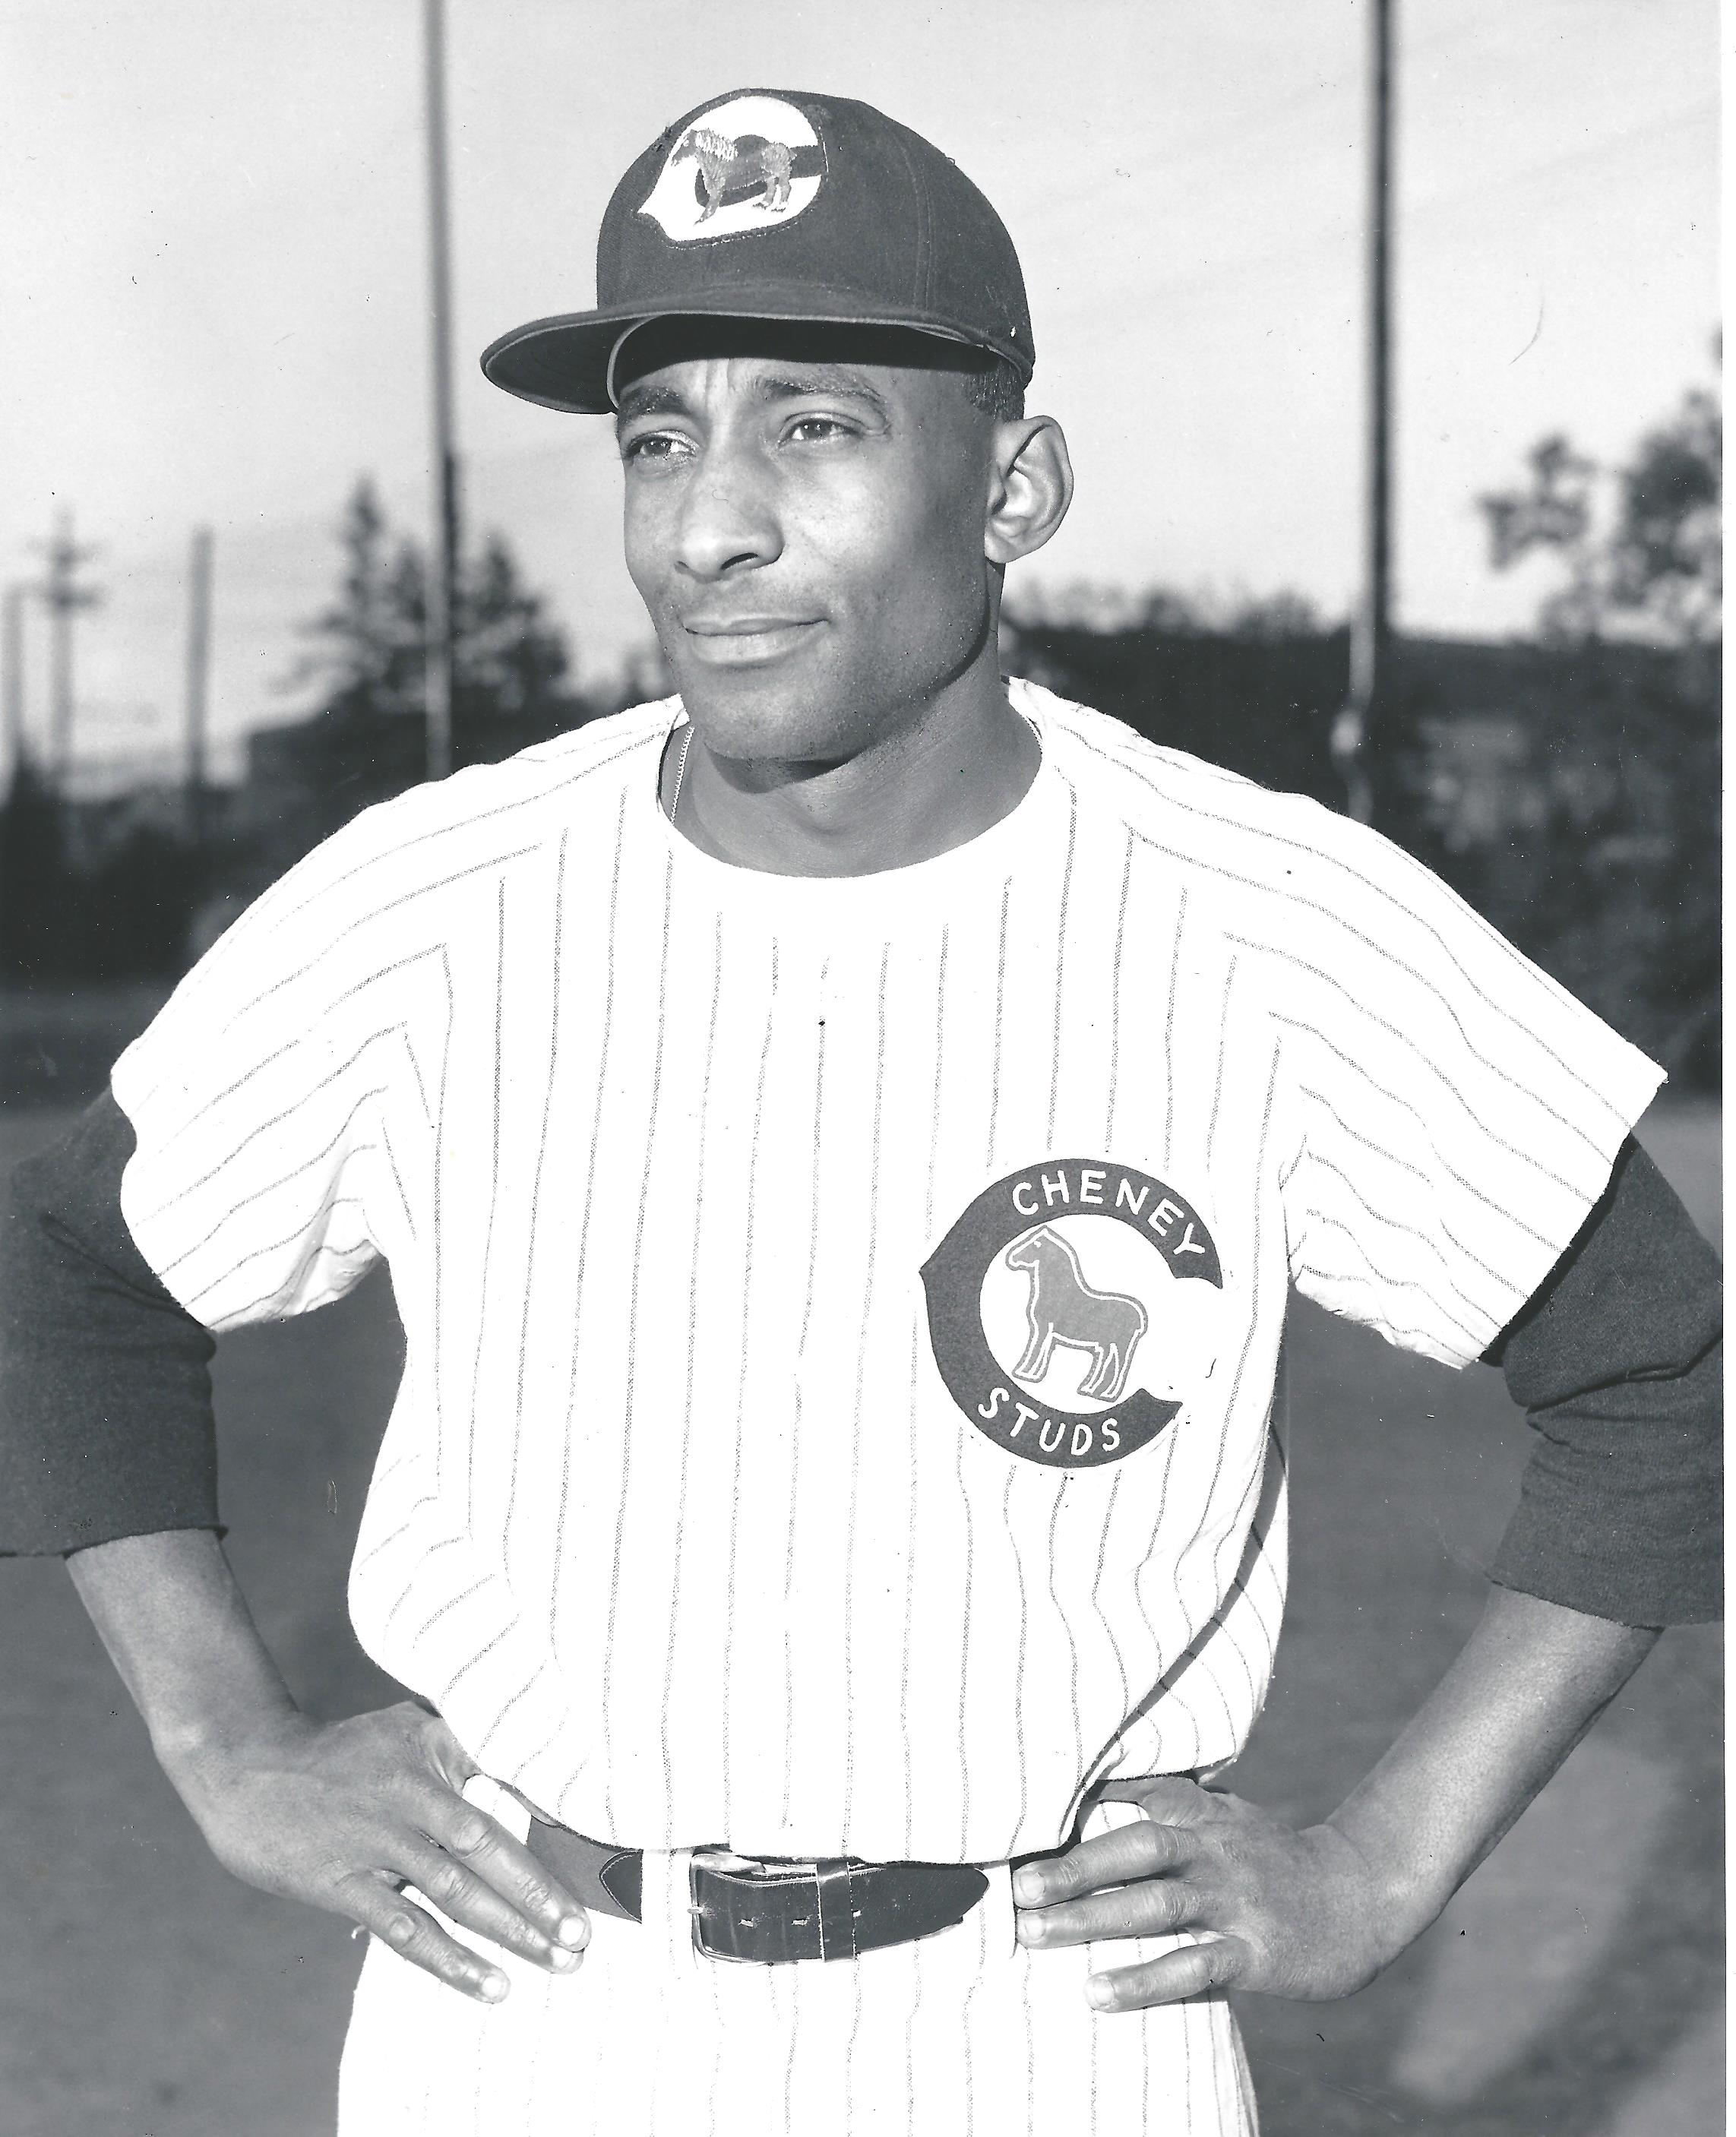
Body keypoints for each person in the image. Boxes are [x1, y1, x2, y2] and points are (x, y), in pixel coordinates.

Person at [0, 87, 1720, 2137]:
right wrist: (223, 1742)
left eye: (812, 427)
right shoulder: (436, 900)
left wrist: (1378, 1866)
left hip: (1046, 2033)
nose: (705, 523)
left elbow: (1661, 1367)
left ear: (1015, 486)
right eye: (659, 438)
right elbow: (71, 1258)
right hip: (525, 2011)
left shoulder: (1266, 924)